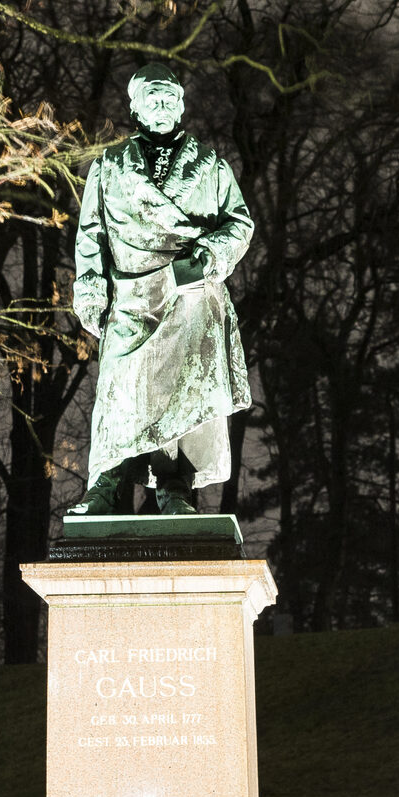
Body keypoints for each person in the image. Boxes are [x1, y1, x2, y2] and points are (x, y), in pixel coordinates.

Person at [70, 63, 255, 516]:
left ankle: (174, 486)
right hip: (131, 296)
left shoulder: (210, 165)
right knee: (118, 389)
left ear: (182, 105)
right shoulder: (109, 167)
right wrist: (91, 290)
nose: (162, 105)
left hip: (188, 295)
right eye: (152, 97)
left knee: (179, 396)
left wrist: (208, 256)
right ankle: (107, 483)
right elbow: (90, 232)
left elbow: (240, 222)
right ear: (135, 107)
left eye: (170, 97)